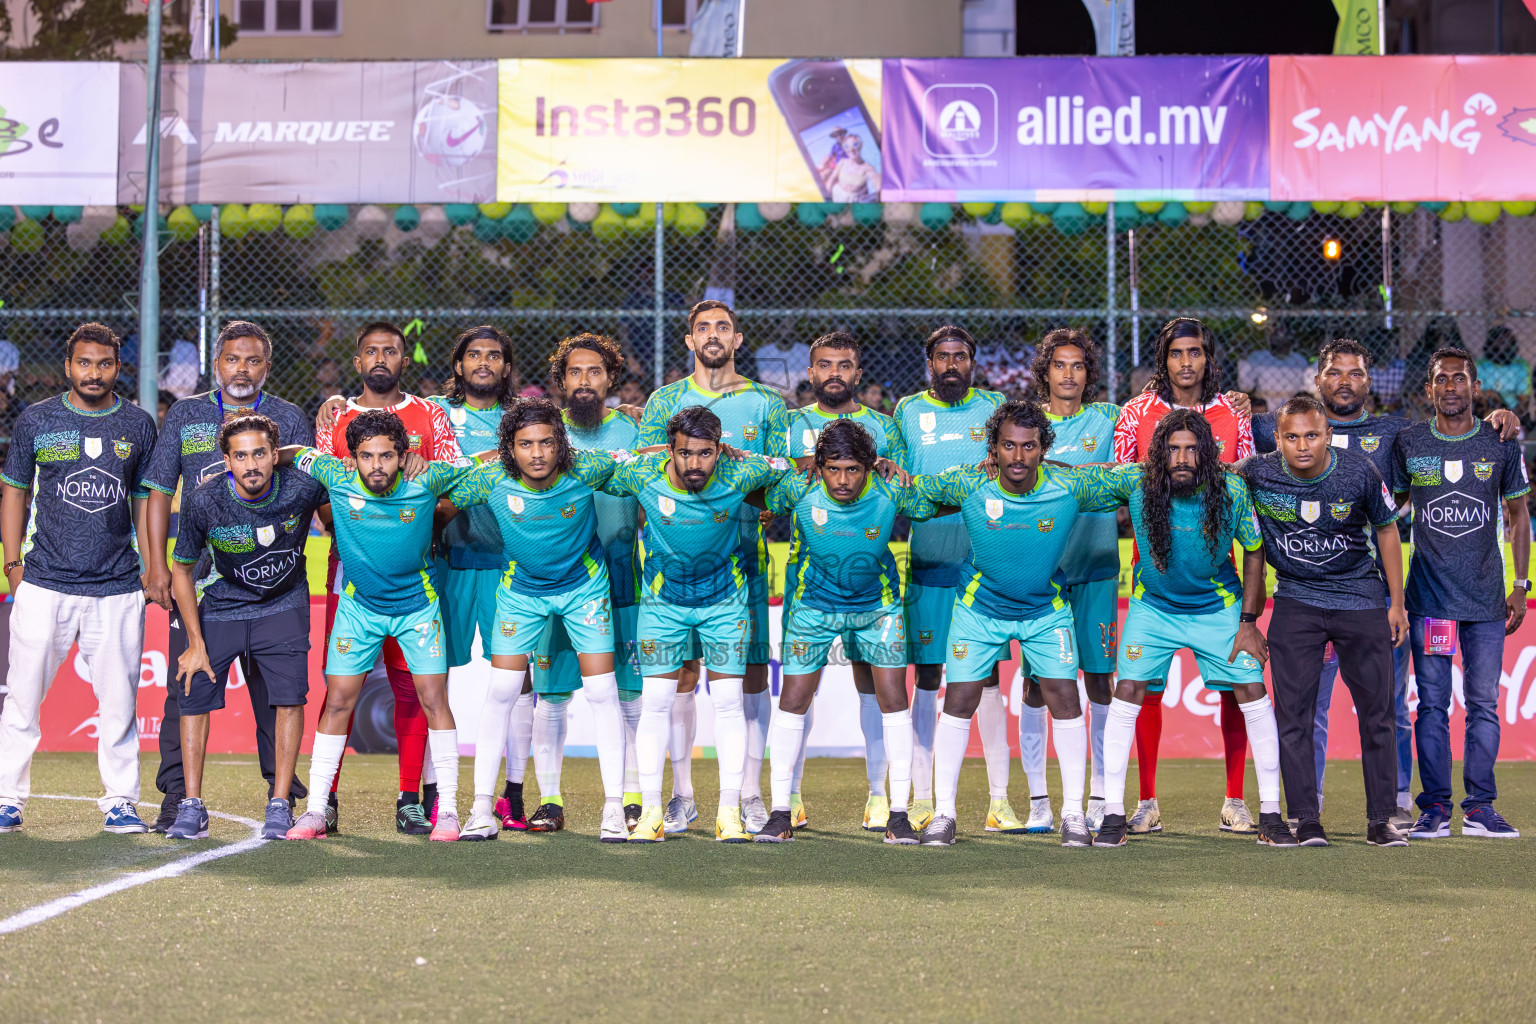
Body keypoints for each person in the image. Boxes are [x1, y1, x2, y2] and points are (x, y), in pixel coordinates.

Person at [1252, 338, 1521, 825]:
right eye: (1335, 372)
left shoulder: (1398, 434)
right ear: (1318, 381)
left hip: (1372, 598)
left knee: (1390, 704)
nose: (1345, 382)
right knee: (1308, 707)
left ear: (1369, 382)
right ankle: (1306, 807)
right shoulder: (1293, 431)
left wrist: (1501, 416)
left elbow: (1444, 441)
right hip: (1308, 596)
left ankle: (1397, 801)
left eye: (1356, 373)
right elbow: (1236, 454)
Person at [910, 401, 1117, 847]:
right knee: (960, 699)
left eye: (1029, 446)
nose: (1018, 456)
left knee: (1064, 697)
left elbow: (1133, 481)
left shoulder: (1069, 484)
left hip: (1045, 612)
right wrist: (881, 473)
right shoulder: (968, 481)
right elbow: (914, 495)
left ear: (1044, 449)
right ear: (993, 448)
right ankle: (944, 813)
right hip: (979, 611)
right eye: (1008, 446)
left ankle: (1074, 815)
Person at [141, 319, 316, 833]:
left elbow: (311, 483)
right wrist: (155, 564)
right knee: (187, 686)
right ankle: (178, 795)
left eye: (253, 360)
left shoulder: (287, 416)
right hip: (200, 580)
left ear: (267, 366)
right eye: (232, 360)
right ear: (216, 366)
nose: (242, 369)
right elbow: (156, 488)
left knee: (276, 692)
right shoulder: (187, 413)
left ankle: (283, 795)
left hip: (272, 579)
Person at [1092, 410, 1292, 848]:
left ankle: (1272, 815)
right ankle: (1112, 814)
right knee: (1127, 690)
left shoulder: (1232, 489)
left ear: (1207, 453)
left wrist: (1248, 623)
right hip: (1154, 608)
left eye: (1191, 449)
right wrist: (1035, 466)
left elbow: (1255, 551)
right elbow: (1084, 479)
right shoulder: (1138, 481)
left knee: (1253, 692)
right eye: (1173, 448)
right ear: (1160, 453)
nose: (1182, 457)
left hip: (1217, 608)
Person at [280, 410, 480, 842]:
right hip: (359, 608)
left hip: (418, 610)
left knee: (433, 700)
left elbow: (484, 464)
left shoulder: (428, 479)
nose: (376, 466)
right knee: (337, 703)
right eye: (366, 456)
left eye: (387, 456)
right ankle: (316, 812)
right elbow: (295, 454)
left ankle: (446, 812)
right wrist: (266, 455)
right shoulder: (336, 474)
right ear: (352, 457)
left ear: (402, 455)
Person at [443, 399, 630, 843]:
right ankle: (481, 810)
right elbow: (436, 483)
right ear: (510, 448)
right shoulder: (489, 477)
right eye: (525, 444)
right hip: (521, 593)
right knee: (503, 691)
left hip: (584, 589)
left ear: (561, 443)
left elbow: (651, 466)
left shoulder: (587, 468)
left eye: (547, 442)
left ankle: (614, 810)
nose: (538, 453)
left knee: (604, 692)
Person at [0, 323, 159, 834]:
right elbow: (13, 494)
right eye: (85, 363)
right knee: (22, 698)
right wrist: (13, 566)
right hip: (44, 583)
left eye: (105, 364)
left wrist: (150, 565)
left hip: (116, 587)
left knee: (119, 704)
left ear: (119, 367)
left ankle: (120, 801)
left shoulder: (138, 424)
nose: (94, 373)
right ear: (68, 366)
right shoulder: (36, 420)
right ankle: (7, 797)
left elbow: (143, 501)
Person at [637, 300, 788, 836]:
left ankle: (748, 793)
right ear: (689, 339)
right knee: (680, 676)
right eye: (703, 327)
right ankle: (681, 795)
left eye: (723, 327)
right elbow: (650, 471)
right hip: (675, 561)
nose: (713, 335)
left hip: (741, 561)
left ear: (738, 338)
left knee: (745, 678)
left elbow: (779, 480)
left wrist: (767, 503)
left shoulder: (767, 402)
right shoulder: (664, 401)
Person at [606, 406, 787, 843]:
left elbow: (787, 469)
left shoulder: (739, 473)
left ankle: (729, 811)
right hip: (663, 606)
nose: (695, 464)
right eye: (685, 453)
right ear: (670, 449)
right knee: (656, 703)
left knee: (727, 703)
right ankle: (652, 809)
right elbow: (590, 464)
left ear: (719, 451)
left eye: (706, 454)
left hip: (724, 604)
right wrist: (645, 449)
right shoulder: (644, 472)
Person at [758, 420, 938, 844]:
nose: (843, 480)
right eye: (834, 469)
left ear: (870, 467)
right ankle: (781, 811)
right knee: (793, 700)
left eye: (853, 469)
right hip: (812, 607)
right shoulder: (798, 486)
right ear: (819, 466)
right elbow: (756, 492)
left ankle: (897, 814)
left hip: (877, 607)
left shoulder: (891, 487)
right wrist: (785, 465)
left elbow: (939, 500)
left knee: (893, 699)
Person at [1241, 396, 1411, 847]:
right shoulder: (1256, 473)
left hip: (1361, 599)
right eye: (1292, 437)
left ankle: (1381, 820)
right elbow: (1206, 479)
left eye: (1311, 436)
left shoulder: (1359, 472)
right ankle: (1305, 819)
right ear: (1276, 439)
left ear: (1328, 435)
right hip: (1295, 601)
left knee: (1378, 715)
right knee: (1292, 715)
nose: (1302, 446)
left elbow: (1388, 530)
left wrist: (1397, 603)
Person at [314, 322, 463, 834]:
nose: (381, 357)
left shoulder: (431, 414)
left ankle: (410, 801)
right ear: (357, 362)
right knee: (340, 688)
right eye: (371, 351)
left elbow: (452, 488)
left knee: (412, 687)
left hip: (416, 573)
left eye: (392, 351)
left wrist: (413, 520)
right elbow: (326, 504)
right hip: (349, 572)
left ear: (405, 359)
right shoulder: (334, 417)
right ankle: (325, 801)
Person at [1113, 317, 1257, 836]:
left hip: (1218, 581)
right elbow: (1121, 488)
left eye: (1195, 352)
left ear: (1208, 358)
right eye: (1176, 353)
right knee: (1145, 690)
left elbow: (1245, 488)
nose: (1186, 362)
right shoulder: (1136, 414)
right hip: (1152, 581)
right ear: (1164, 358)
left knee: (1234, 690)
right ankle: (1146, 801)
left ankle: (1236, 800)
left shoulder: (1231, 415)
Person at [165, 416, 327, 841]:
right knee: (193, 696)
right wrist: (194, 642)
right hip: (221, 606)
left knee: (290, 699)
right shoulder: (204, 500)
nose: (251, 464)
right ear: (227, 461)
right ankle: (192, 805)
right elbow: (180, 570)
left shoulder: (303, 487)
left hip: (283, 606)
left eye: (260, 453)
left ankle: (279, 804)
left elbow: (341, 485)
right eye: (241, 455)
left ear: (275, 455)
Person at [1391, 347, 1530, 839]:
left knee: (1484, 704)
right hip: (1430, 604)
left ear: (1475, 387)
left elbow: (1518, 518)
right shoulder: (1409, 443)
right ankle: (1433, 809)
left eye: (1460, 379)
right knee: (1431, 706)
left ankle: (1479, 808)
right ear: (1428, 390)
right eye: (1441, 380)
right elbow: (1391, 510)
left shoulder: (1500, 443)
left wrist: (1520, 584)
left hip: (1488, 605)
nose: (1451, 387)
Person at [783, 331, 908, 831]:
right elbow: (774, 476)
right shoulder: (789, 424)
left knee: (872, 684)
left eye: (845, 365)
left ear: (859, 372)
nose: (834, 373)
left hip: (870, 575)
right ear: (810, 373)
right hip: (806, 573)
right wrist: (804, 465)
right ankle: (789, 796)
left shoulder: (884, 426)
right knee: (800, 689)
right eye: (824, 365)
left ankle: (881, 796)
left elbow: (901, 482)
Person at [890, 325, 1011, 834]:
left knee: (985, 680)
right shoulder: (908, 412)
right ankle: (921, 796)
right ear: (929, 363)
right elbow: (896, 479)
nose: (951, 365)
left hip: (984, 572)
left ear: (973, 361)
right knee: (930, 679)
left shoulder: (996, 405)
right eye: (942, 357)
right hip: (929, 568)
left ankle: (1000, 802)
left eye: (960, 356)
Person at [1013, 329, 1121, 834]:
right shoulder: (1027, 426)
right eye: (1059, 365)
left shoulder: (1109, 420)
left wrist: (1224, 399)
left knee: (1099, 682)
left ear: (1088, 374)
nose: (1069, 374)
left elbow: (1159, 424)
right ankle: (1039, 800)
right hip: (1043, 575)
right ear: (1045, 371)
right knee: (1038, 686)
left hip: (1096, 566)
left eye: (1078, 366)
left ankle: (1099, 794)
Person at [538, 334, 644, 833]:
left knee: (627, 692)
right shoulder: (542, 433)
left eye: (594, 372)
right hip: (557, 576)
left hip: (622, 573)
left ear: (610, 379)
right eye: (575, 372)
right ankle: (550, 800)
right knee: (553, 695)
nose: (584, 381)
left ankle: (631, 796)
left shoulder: (633, 430)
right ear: (561, 381)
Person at [426, 328, 521, 827]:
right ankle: (432, 790)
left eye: (494, 356)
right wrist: (334, 401)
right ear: (458, 365)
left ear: (507, 367)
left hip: (510, 565)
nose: (484, 362)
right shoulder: (434, 414)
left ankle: (514, 792)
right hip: (448, 562)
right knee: (433, 677)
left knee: (518, 681)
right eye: (474, 355)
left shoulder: (523, 419)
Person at [1478, 325, 1529, 412]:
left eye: (1505, 339)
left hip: (1514, 413)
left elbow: (1524, 401)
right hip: (1488, 412)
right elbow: (1479, 397)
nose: (1502, 340)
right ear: (1490, 342)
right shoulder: (1481, 365)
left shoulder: (1520, 365)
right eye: (1497, 338)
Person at [825, 132, 880, 203]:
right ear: (844, 149)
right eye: (846, 146)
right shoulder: (843, 162)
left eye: (855, 144)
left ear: (860, 145)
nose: (851, 149)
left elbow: (877, 184)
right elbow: (832, 178)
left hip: (851, 201)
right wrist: (827, 197)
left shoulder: (867, 168)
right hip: (836, 194)